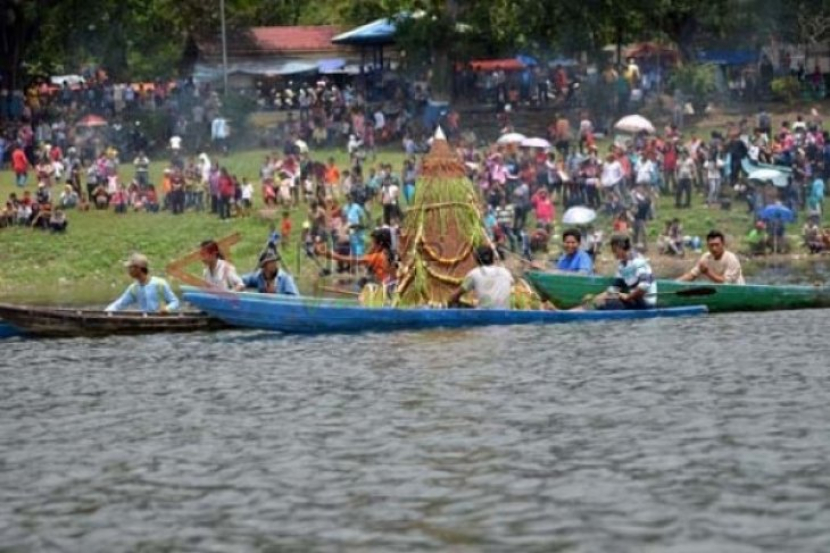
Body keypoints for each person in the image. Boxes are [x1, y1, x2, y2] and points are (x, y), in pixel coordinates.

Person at [592, 235, 657, 310]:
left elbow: (644, 286)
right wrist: (601, 296)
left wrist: (628, 297)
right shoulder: (622, 265)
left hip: (646, 303)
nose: (613, 253)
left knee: (611, 304)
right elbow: (617, 285)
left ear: (620, 247)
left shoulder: (638, 261)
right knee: (603, 303)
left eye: (614, 250)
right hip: (634, 300)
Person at [106, 253, 181, 312]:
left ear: (138, 268)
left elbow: (175, 302)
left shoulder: (160, 284)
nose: (128, 271)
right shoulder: (134, 288)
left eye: (130, 268)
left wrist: (167, 309)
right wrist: (106, 312)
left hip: (161, 320)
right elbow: (119, 304)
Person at [448, 245, 514, 309]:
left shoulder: (474, 274)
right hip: (503, 314)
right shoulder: (506, 272)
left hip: (484, 316)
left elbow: (454, 297)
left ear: (477, 259)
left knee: (453, 303)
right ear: (492, 258)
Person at [678, 230, 745, 284]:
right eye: (711, 245)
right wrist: (675, 282)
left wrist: (707, 272)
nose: (714, 248)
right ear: (707, 245)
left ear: (723, 244)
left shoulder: (731, 259)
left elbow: (726, 282)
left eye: (717, 245)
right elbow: (692, 275)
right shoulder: (706, 257)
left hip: (736, 291)